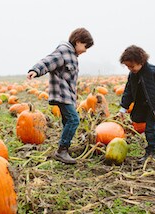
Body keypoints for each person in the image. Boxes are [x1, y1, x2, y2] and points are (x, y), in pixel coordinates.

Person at [27, 28, 94, 164]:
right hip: (61, 94)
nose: (85, 50)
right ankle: (62, 150)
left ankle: (64, 149)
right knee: (74, 120)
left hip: (68, 95)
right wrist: (36, 70)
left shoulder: (72, 55)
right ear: (78, 41)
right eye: (85, 46)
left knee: (67, 121)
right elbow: (48, 61)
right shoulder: (64, 51)